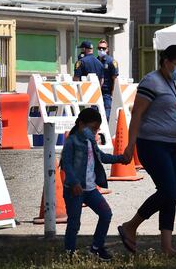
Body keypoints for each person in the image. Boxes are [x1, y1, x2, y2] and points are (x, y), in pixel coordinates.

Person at [119, 45, 176, 256]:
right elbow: (137, 115)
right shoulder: (151, 82)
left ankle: (167, 246)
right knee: (168, 191)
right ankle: (130, 226)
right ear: (166, 61)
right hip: (152, 144)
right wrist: (130, 145)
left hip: (173, 145)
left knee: (172, 195)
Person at [61, 108, 127, 261]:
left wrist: (120, 158)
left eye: (97, 129)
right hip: (74, 190)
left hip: (90, 189)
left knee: (106, 214)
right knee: (74, 223)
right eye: (92, 128)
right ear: (81, 124)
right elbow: (66, 165)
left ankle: (96, 248)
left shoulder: (91, 141)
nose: (95, 132)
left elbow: (101, 157)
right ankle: (69, 254)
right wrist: (74, 183)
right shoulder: (71, 141)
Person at [97, 40, 118, 121]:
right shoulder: (95, 60)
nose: (101, 50)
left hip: (107, 93)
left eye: (103, 48)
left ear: (107, 49)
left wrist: (113, 92)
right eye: (99, 48)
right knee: (95, 114)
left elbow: (115, 78)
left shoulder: (111, 61)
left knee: (106, 115)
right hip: (96, 92)